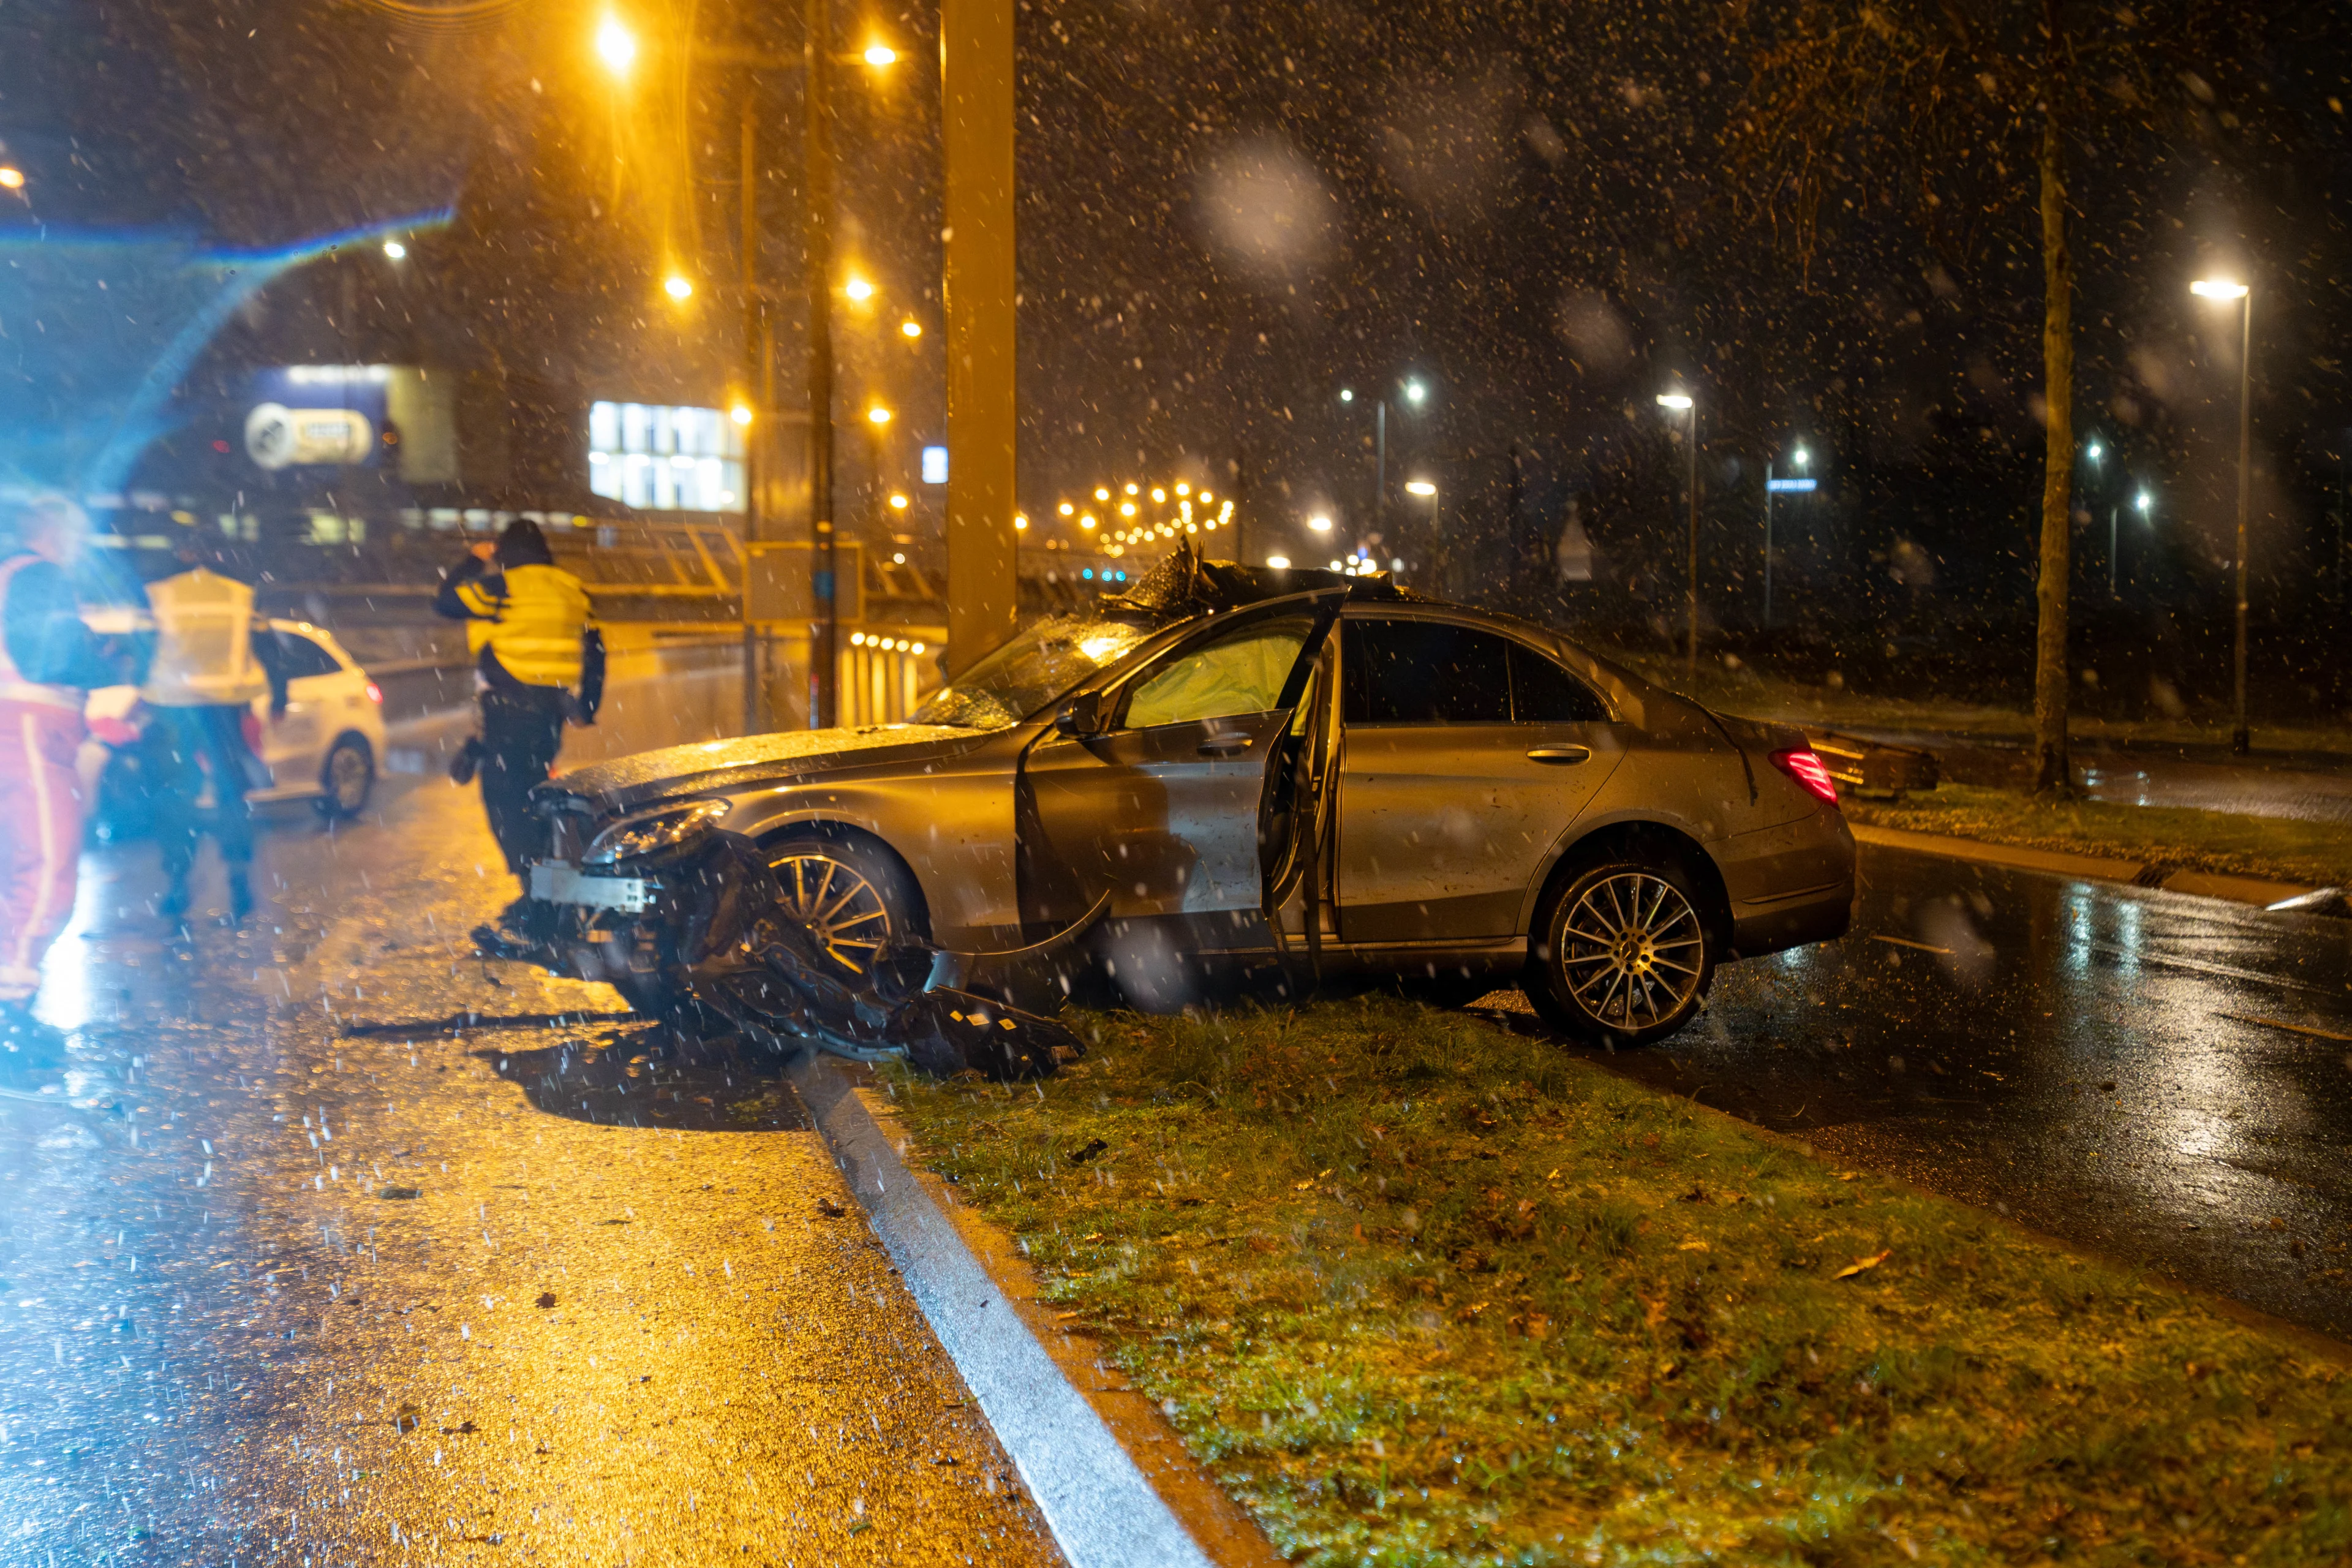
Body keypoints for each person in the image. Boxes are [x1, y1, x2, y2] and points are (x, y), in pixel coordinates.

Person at [433, 518, 603, 946]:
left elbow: (446, 602)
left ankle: (542, 912)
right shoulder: (571, 589)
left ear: (506, 553)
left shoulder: (504, 588)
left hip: (508, 713)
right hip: (548, 717)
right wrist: (587, 706)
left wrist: (474, 559)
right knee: (536, 803)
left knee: (508, 809)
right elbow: (596, 649)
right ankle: (545, 900)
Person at [0, 497, 112, 1096]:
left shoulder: (12, 574)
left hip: (18, 730)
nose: (79, 541)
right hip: (28, 733)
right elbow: (47, 657)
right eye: (74, 529)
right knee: (46, 870)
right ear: (48, 528)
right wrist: (96, 654)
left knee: (14, 874)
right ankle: (9, 1022)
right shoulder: (39, 574)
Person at [141, 537, 285, 925]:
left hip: (172, 710)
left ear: (181, 554)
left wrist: (141, 698)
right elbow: (269, 647)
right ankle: (239, 880)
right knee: (231, 794)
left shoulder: (159, 594)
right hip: (224, 708)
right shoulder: (239, 594)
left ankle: (177, 882)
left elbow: (140, 648)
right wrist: (279, 698)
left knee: (175, 795)